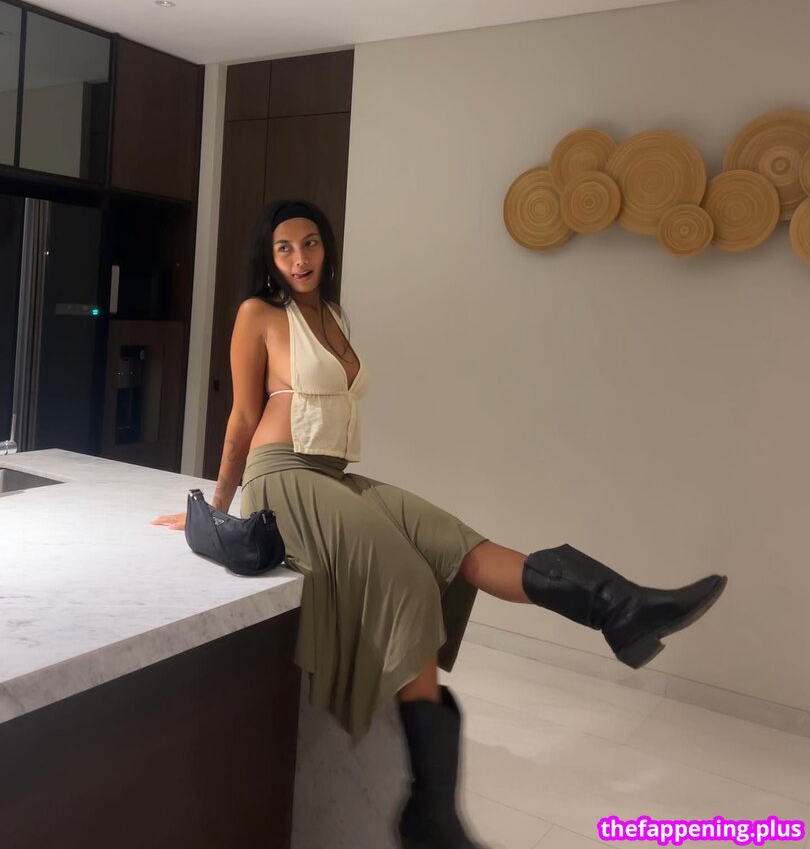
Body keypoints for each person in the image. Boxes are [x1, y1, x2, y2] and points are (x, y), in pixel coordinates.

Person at [153, 198, 728, 849]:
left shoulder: (333, 315)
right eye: (284, 248)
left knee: (458, 543)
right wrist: (218, 508)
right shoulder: (258, 314)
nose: (299, 258)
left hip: (333, 475)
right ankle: (431, 810)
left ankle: (621, 607)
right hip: (282, 478)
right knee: (407, 575)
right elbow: (241, 418)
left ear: (325, 247)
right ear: (269, 257)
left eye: (309, 243)